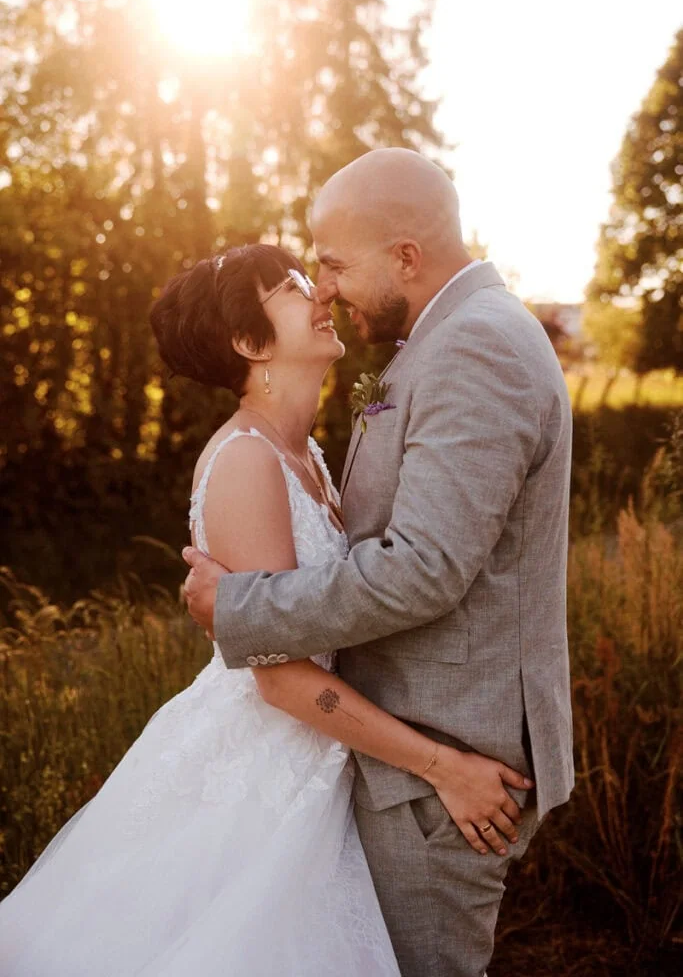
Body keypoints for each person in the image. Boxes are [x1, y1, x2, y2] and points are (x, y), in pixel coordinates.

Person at [0, 242, 531, 976]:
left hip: (327, 755)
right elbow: (278, 678)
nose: (318, 294)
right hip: (265, 769)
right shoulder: (246, 461)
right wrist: (442, 766)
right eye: (288, 287)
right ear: (250, 344)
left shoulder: (306, 453)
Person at [183, 149, 575, 977]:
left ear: (405, 257)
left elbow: (423, 566)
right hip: (406, 763)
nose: (324, 288)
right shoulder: (452, 340)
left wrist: (244, 608)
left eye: (328, 265)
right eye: (304, 278)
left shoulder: (474, 347)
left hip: (447, 767)